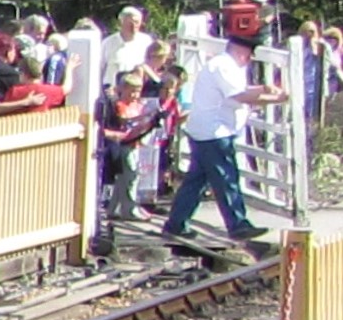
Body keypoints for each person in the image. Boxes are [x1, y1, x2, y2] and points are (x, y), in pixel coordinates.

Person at [164, 17, 281, 247]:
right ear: (240, 49)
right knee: (226, 179)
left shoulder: (225, 66)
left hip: (208, 131)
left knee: (197, 181)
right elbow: (238, 96)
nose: (250, 57)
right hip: (214, 133)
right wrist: (276, 98)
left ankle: (176, 224)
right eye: (249, 51)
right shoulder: (224, 66)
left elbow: (239, 90)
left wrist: (263, 89)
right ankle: (237, 225)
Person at [95, 68, 166, 254]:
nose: (135, 95)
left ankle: (113, 208)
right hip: (123, 145)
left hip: (135, 144)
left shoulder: (138, 105)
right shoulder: (120, 105)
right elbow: (126, 122)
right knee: (130, 176)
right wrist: (145, 121)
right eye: (131, 91)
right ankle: (129, 209)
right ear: (122, 90)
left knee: (125, 179)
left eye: (137, 90)